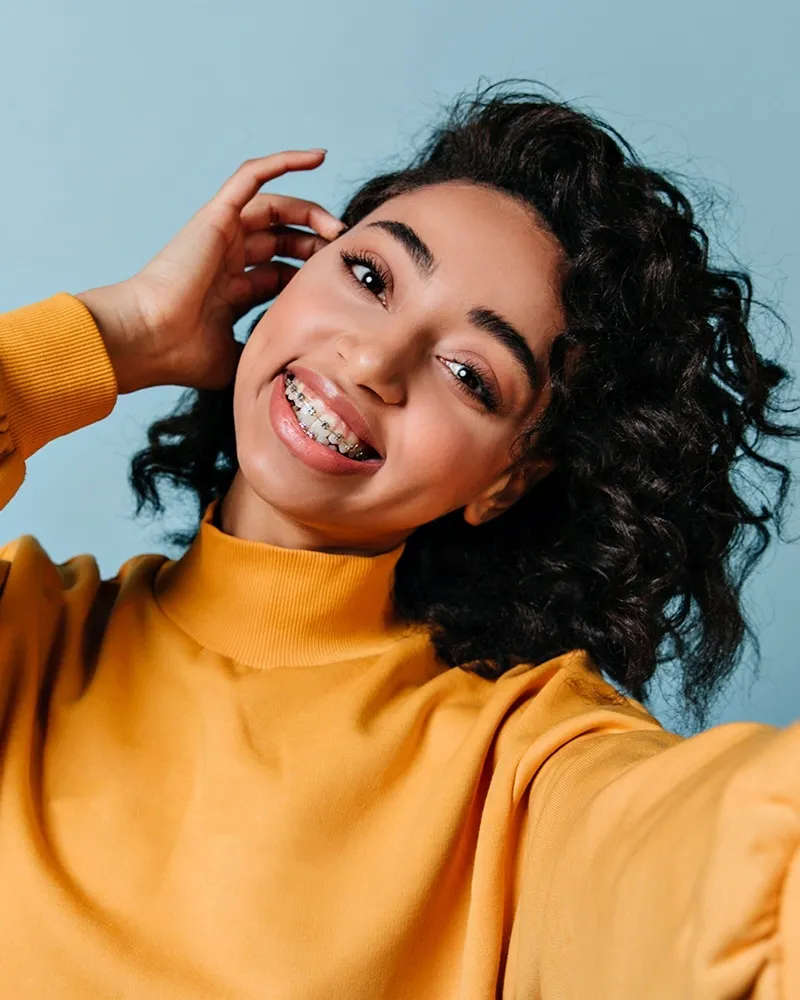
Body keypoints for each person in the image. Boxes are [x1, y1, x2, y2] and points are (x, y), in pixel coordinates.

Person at [0, 81, 797, 999]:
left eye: (470, 373)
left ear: (508, 480)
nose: (374, 364)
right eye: (371, 277)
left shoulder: (524, 765)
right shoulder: (28, 635)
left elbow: (709, 865)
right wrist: (121, 332)